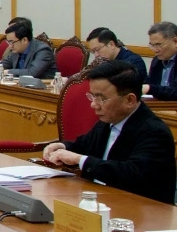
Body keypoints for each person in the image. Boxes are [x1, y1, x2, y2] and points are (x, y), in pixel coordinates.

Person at [42, 60, 176, 204]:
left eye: (101, 99)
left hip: (138, 207)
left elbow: (132, 173)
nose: (93, 104)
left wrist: (79, 160)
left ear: (129, 100)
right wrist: (63, 147)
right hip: (101, 199)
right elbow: (83, 145)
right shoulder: (108, 121)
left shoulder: (154, 131)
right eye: (92, 96)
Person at [144, 21, 177, 100]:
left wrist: (150, 89)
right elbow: (151, 83)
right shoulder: (156, 61)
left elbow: (175, 92)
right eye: (152, 45)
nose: (155, 50)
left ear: (175, 41)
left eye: (158, 45)